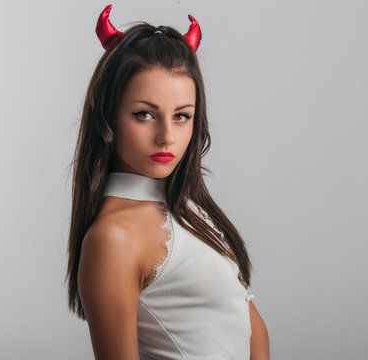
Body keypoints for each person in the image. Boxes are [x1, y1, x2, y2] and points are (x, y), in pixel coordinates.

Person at [65, 4, 269, 359]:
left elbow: (247, 328)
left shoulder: (188, 209)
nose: (166, 137)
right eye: (144, 114)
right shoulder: (114, 238)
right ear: (107, 116)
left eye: (181, 116)